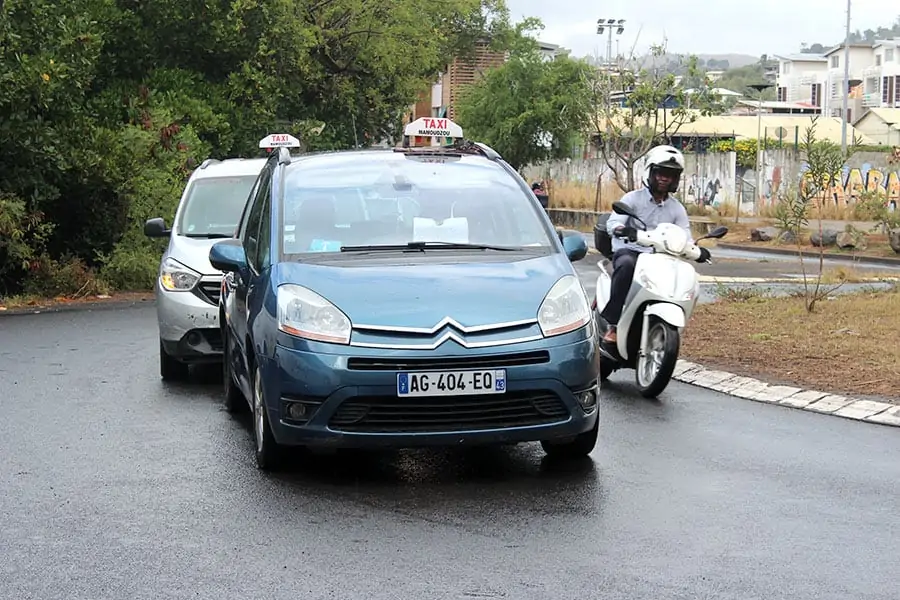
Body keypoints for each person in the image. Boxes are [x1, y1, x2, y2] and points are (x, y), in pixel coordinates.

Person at [598, 144, 710, 345]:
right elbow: (613, 223)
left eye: (670, 175)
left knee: (684, 274)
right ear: (650, 172)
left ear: (676, 179)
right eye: (660, 173)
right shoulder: (632, 198)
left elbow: (686, 236)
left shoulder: (677, 209)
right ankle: (614, 324)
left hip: (662, 259)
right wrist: (624, 230)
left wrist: (697, 251)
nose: (664, 178)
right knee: (626, 266)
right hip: (633, 252)